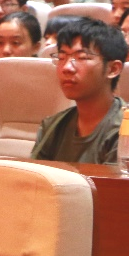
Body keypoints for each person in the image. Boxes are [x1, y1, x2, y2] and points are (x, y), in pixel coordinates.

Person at [30, 19, 126, 165]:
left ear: (113, 69)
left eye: (82, 58)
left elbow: (116, 180)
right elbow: (35, 176)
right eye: (61, 58)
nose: (67, 68)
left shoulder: (125, 129)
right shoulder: (52, 126)